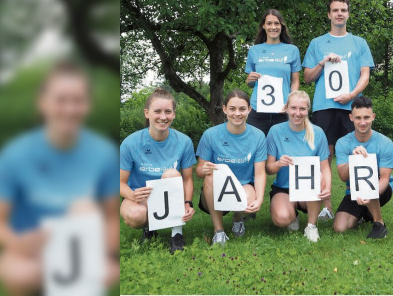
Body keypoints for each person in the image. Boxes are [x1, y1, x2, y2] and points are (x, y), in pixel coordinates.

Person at [0, 62, 119, 295]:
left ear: (88, 105)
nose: (69, 109)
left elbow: (112, 217)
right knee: (19, 273)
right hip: (31, 251)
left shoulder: (104, 153)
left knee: (106, 267)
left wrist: (105, 251)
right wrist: (17, 241)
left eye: (77, 100)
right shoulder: (14, 154)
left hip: (85, 249)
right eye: (60, 100)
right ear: (42, 103)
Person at [303, 0, 374, 221]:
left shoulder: (359, 43)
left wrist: (352, 95)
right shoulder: (317, 43)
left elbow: (365, 75)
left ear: (348, 14)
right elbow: (307, 77)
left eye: (343, 10)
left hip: (350, 108)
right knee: (325, 155)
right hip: (324, 106)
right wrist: (323, 63)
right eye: (335, 10)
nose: (340, 14)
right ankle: (326, 206)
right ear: (329, 14)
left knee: (354, 154)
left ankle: (356, 200)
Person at [120, 88, 196, 254]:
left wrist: (187, 203)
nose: (163, 117)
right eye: (158, 111)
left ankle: (177, 235)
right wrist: (132, 195)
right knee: (134, 215)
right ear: (147, 113)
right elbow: (119, 183)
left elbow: (188, 179)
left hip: (170, 197)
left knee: (171, 174)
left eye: (168, 112)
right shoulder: (130, 143)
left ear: (174, 114)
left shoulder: (184, 142)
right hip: (142, 197)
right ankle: (150, 227)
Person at [195, 89, 267, 246]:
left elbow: (260, 173)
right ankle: (219, 231)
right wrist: (204, 170)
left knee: (249, 195)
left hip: (243, 187)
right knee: (210, 177)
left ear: (249, 109)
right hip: (216, 190)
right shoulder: (210, 134)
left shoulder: (258, 136)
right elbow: (199, 170)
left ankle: (238, 219)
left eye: (242, 109)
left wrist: (260, 199)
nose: (237, 113)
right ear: (224, 109)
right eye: (232, 108)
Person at [266, 90, 332, 242]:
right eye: (293, 108)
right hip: (284, 187)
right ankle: (292, 215)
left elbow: (325, 168)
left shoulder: (318, 133)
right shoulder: (275, 131)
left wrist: (327, 187)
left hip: (307, 187)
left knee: (319, 177)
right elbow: (268, 169)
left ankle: (311, 226)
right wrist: (278, 163)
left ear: (308, 110)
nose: (297, 113)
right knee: (282, 218)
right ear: (286, 108)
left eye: (302, 109)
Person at [332, 96, 393, 239]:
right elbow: (343, 177)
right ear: (351, 117)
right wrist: (355, 160)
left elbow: (385, 178)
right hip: (353, 191)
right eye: (358, 118)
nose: (362, 122)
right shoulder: (342, 143)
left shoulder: (385, 143)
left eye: (366, 117)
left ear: (373, 117)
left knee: (368, 187)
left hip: (382, 188)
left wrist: (370, 194)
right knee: (340, 228)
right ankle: (363, 213)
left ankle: (379, 224)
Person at [245, 9, 301, 136]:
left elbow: (295, 81)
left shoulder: (292, 50)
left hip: (282, 110)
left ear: (282, 26)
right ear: (263, 26)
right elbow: (250, 84)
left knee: (283, 151)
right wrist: (249, 80)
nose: (273, 27)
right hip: (258, 109)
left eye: (277, 23)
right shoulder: (254, 50)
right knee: (258, 151)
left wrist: (291, 103)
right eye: (269, 23)